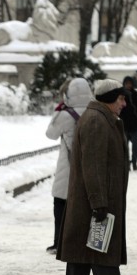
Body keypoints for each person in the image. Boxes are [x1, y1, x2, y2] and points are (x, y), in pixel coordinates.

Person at [57, 79, 137, 275]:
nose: (124, 103)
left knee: (80, 255)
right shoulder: (96, 120)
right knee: (102, 253)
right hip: (94, 201)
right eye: (121, 98)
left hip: (91, 200)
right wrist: (99, 202)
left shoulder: (101, 117)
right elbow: (92, 166)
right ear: (109, 98)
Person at [44, 77, 92, 254]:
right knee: (86, 205)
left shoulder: (65, 114)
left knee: (61, 204)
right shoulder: (95, 112)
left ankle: (60, 242)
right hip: (89, 166)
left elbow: (50, 134)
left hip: (68, 167)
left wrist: (58, 110)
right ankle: (86, 241)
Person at [120, 75, 137, 171]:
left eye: (130, 83)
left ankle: (134, 162)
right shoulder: (121, 96)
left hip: (135, 125)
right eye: (126, 83)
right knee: (125, 147)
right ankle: (126, 163)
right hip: (125, 125)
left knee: (135, 146)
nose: (128, 85)